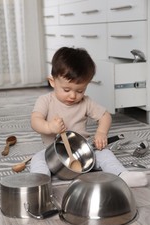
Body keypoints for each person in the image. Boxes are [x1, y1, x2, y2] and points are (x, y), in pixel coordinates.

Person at [30, 47, 148, 187]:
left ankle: (121, 175)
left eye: (80, 90)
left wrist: (101, 133)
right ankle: (40, 183)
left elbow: (105, 116)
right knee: (37, 159)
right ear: (52, 82)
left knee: (105, 154)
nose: (73, 96)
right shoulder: (45, 100)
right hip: (53, 153)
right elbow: (35, 121)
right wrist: (49, 127)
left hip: (83, 152)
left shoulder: (85, 102)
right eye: (66, 90)